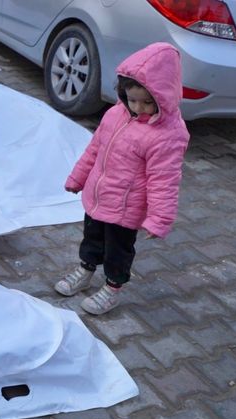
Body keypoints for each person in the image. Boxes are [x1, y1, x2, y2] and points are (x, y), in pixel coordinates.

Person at [54, 42, 189, 315]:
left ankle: (112, 287)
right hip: (97, 197)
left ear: (164, 96)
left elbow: (164, 180)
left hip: (127, 209)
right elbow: (95, 149)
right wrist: (77, 178)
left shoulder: (168, 135)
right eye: (132, 99)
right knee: (91, 239)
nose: (138, 107)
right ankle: (85, 269)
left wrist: (159, 219)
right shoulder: (115, 114)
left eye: (147, 102)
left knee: (118, 250)